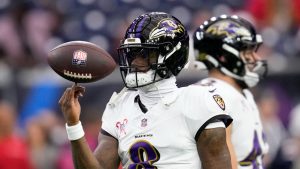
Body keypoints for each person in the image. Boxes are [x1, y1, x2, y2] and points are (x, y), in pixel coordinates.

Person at [59, 12, 233, 169]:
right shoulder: (119, 106)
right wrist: (73, 124)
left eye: (145, 54)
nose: (134, 62)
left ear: (171, 55)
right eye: (132, 54)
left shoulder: (197, 101)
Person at [193, 14, 269, 169]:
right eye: (247, 52)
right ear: (224, 57)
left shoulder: (240, 93)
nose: (255, 58)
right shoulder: (214, 95)